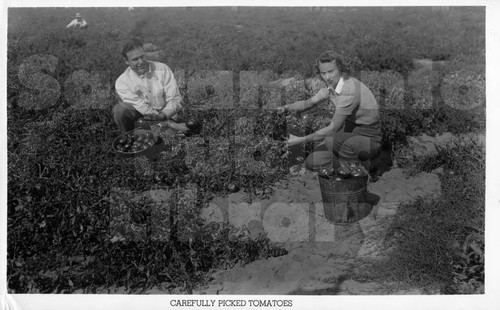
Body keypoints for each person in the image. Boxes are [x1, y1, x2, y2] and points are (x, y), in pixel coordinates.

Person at [278, 50, 381, 172]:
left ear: (341, 69)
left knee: (332, 139)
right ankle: (348, 163)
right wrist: (286, 108)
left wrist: (299, 140)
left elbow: (332, 128)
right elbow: (307, 104)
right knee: (313, 162)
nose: (327, 77)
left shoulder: (349, 89)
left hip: (368, 138)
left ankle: (361, 168)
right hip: (347, 135)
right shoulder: (331, 88)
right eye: (323, 73)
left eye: (331, 71)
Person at [113, 37, 186, 133]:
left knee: (166, 142)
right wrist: (164, 121)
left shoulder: (162, 69)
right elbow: (142, 108)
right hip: (142, 118)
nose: (141, 62)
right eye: (135, 59)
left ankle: (161, 132)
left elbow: (175, 99)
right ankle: (130, 136)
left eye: (142, 56)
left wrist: (163, 115)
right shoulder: (122, 82)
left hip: (166, 115)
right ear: (126, 61)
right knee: (119, 110)